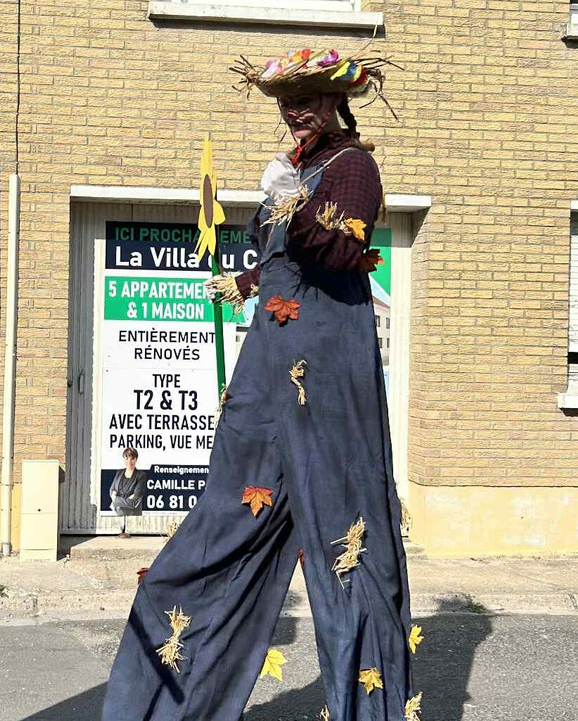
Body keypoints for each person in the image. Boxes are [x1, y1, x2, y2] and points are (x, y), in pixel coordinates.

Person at [100, 48, 420, 721]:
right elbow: (282, 264)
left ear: (335, 101)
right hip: (265, 368)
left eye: (304, 96)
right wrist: (241, 282)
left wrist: (295, 206)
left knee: (346, 550)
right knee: (221, 527)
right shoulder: (294, 169)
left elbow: (341, 251)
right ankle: (171, 703)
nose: (292, 109)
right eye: (284, 99)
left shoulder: (351, 166)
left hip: (325, 373)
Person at [110, 447, 146, 538]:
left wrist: (116, 500)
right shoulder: (119, 473)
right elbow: (112, 490)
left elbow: (134, 502)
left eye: (132, 458)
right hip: (118, 513)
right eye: (126, 458)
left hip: (132, 516)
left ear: (136, 459)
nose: (129, 461)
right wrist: (126, 500)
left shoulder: (141, 476)